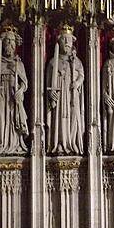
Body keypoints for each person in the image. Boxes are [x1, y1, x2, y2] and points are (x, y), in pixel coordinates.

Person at [0, 24, 29, 155]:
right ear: (3, 43)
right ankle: (0, 144)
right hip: (1, 95)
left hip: (13, 94)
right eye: (7, 41)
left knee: (13, 118)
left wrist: (20, 90)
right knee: (0, 118)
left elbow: (25, 83)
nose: (10, 45)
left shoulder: (19, 63)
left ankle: (16, 144)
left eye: (12, 42)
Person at [46, 24, 84, 154]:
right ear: (59, 42)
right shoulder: (53, 63)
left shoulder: (76, 62)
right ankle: (59, 144)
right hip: (60, 96)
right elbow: (48, 84)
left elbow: (81, 75)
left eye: (69, 40)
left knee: (73, 119)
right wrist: (51, 94)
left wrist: (77, 82)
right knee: (59, 120)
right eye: (64, 39)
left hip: (72, 97)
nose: (67, 43)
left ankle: (71, 143)